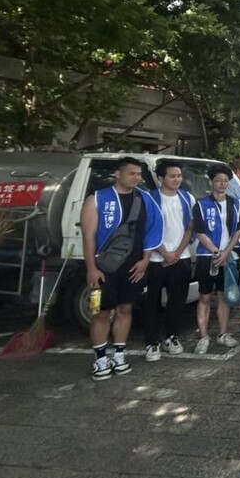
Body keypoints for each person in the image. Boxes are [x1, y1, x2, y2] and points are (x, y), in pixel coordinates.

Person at [81, 157, 162, 380]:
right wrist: (91, 268)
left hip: (133, 266)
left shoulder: (145, 199)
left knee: (125, 309)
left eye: (139, 174)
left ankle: (119, 354)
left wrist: (145, 260)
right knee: (100, 312)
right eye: (131, 173)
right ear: (118, 173)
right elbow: (88, 236)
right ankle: (99, 359)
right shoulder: (97, 199)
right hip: (103, 267)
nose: (136, 178)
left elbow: (153, 231)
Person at [145, 160, 195, 361]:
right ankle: (151, 342)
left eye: (179, 176)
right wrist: (164, 253)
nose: (177, 180)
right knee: (152, 303)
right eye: (172, 176)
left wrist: (176, 253)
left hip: (181, 257)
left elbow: (190, 227)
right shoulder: (151, 198)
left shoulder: (187, 197)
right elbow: (146, 230)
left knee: (177, 301)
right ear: (160, 178)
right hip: (155, 259)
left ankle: (172, 337)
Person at [192, 164, 240, 354]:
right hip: (207, 256)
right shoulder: (201, 204)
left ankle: (223, 334)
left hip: (228, 256)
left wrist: (226, 252)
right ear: (211, 182)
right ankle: (203, 336)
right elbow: (199, 232)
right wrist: (216, 252)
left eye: (225, 181)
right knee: (205, 296)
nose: (222, 184)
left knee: (224, 296)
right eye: (218, 180)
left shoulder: (236, 204)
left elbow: (238, 230)